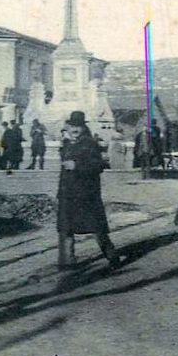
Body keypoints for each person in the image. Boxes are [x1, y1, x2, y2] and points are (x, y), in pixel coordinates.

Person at [56, 111, 121, 270]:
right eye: (72, 127)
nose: (74, 129)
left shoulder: (90, 144)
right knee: (65, 228)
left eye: (78, 126)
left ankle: (112, 256)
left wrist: (77, 166)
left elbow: (99, 166)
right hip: (68, 194)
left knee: (96, 228)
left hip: (86, 194)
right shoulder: (67, 144)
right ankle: (67, 262)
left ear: (83, 127)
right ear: (68, 128)